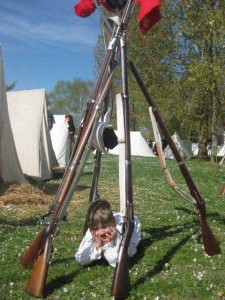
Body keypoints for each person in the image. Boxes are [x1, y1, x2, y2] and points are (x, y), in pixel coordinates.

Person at [75, 200, 141, 267]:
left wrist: (113, 242)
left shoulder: (131, 224)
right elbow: (80, 258)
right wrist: (98, 246)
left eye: (104, 227)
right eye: (96, 229)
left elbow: (119, 261)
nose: (101, 233)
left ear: (113, 222)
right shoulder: (93, 229)